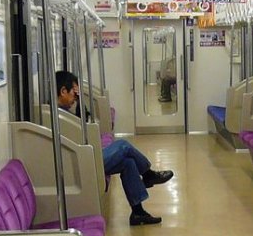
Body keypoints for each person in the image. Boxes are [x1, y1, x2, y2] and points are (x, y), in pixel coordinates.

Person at [54, 71, 173, 226]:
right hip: (81, 163)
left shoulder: (64, 113)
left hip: (85, 155)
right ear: (63, 91)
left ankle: (138, 213)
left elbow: (85, 119)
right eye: (73, 92)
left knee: (128, 162)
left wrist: (79, 99)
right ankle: (148, 174)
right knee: (123, 146)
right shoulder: (56, 116)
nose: (74, 98)